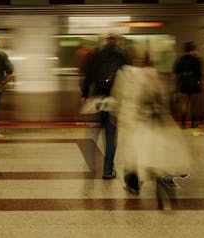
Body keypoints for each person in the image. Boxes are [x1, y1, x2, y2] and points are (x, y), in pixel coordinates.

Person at [113, 47, 192, 209]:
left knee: (134, 156)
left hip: (133, 123)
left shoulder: (125, 74)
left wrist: (121, 117)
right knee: (153, 157)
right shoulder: (153, 75)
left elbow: (120, 98)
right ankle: (160, 186)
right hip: (152, 123)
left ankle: (134, 184)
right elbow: (164, 99)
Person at [81, 33, 128, 179]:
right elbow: (127, 79)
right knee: (111, 136)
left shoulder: (96, 55)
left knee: (93, 135)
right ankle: (108, 171)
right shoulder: (122, 56)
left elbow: (88, 75)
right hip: (113, 102)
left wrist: (84, 95)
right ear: (117, 42)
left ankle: (90, 169)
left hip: (97, 101)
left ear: (106, 41)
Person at [173, 41, 203, 128]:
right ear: (193, 50)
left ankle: (183, 124)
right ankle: (193, 123)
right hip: (194, 84)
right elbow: (199, 73)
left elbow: (175, 71)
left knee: (184, 104)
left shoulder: (180, 60)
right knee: (193, 105)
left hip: (183, 84)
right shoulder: (196, 60)